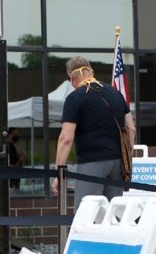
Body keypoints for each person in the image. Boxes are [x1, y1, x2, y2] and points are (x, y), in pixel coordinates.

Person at [52, 56, 135, 210]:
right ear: (91, 71)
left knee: (86, 214)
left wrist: (59, 171)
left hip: (91, 162)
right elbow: (131, 129)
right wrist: (126, 158)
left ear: (71, 77)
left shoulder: (75, 98)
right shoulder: (116, 93)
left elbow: (66, 139)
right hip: (118, 163)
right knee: (113, 215)